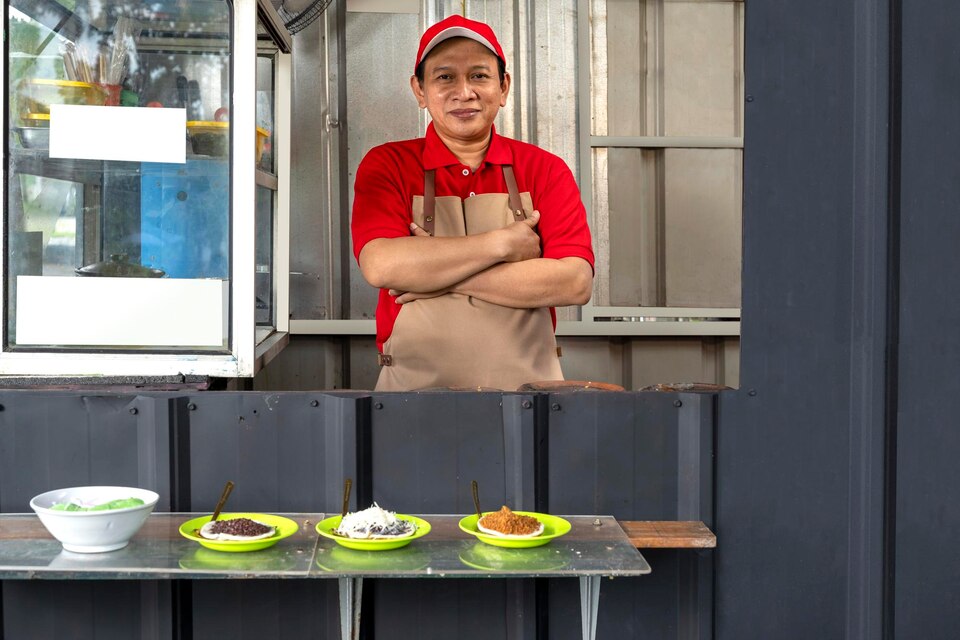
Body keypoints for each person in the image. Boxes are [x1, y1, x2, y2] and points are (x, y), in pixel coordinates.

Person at [351, 15, 595, 391]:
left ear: (503, 86)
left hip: (531, 400)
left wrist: (433, 274)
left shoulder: (544, 169)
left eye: (479, 76)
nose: (463, 92)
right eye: (444, 77)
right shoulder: (388, 164)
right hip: (409, 401)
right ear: (419, 90)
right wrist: (502, 245)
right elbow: (382, 265)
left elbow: (574, 282)